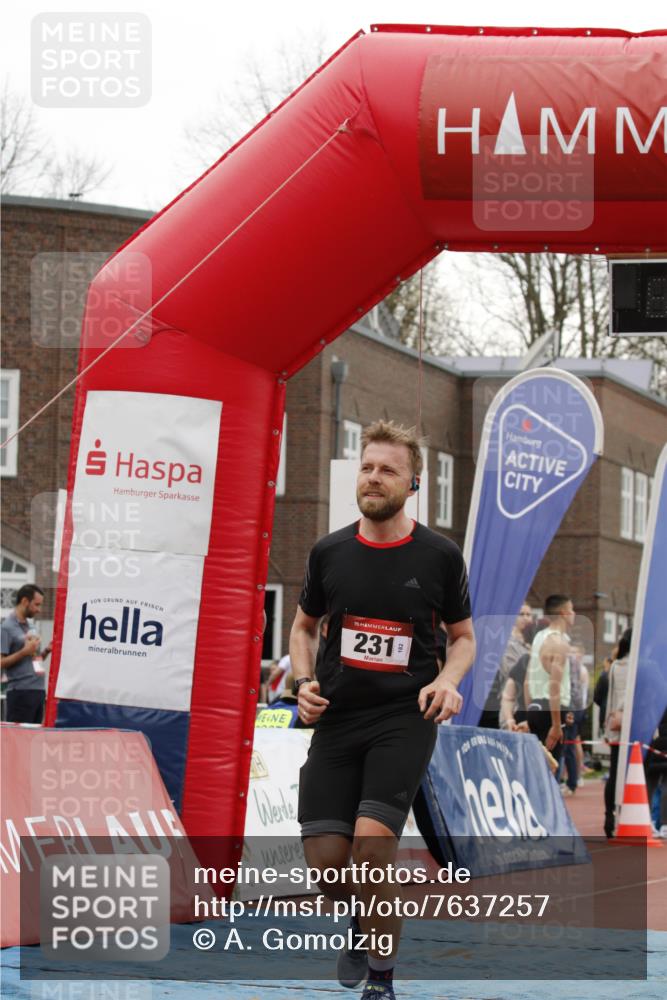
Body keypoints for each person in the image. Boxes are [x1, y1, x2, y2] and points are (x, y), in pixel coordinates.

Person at [289, 420, 475, 1000]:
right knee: (326, 866)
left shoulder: (440, 556)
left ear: (412, 483)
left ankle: (381, 980)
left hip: (404, 717)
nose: (374, 477)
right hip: (339, 718)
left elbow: (463, 637)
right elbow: (302, 626)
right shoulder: (330, 551)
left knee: (373, 847)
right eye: (367, 467)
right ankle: (365, 920)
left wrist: (447, 680)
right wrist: (302, 680)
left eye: (388, 469)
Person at [525, 594, 575, 762]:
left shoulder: (539, 637)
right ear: (564, 613)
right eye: (572, 610)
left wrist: (529, 710)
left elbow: (527, 679)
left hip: (536, 706)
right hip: (550, 710)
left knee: (536, 767)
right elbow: (554, 686)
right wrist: (555, 724)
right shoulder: (559, 643)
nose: (574, 614)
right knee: (549, 771)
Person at [1, 584, 51, 724]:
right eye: (36, 605)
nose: (39, 610)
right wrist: (23, 652)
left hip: (38, 691)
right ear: (24, 601)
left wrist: (47, 650)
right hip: (20, 692)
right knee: (17, 742)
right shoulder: (6, 628)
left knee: (34, 741)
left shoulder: (31, 627)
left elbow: (34, 658)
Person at [478, 604, 533, 729]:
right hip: (510, 704)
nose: (525, 618)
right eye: (521, 614)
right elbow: (512, 672)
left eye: (528, 615)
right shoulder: (507, 643)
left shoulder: (529, 643)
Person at [603, 628, 632, 838]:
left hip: (615, 725)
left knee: (614, 774)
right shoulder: (642, 666)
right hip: (634, 728)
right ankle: (628, 816)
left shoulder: (615, 666)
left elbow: (610, 697)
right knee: (635, 774)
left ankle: (609, 817)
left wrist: (608, 725)